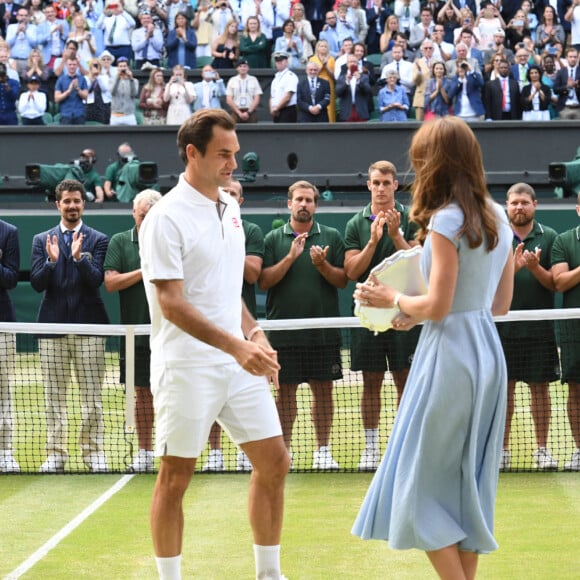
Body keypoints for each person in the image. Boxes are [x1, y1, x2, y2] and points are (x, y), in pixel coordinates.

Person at [352, 117, 514, 579]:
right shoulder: (498, 215)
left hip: (448, 358)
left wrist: (392, 299)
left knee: (420, 485)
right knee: (469, 486)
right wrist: (413, 313)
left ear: (435, 161)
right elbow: (498, 305)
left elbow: (440, 305)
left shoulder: (446, 219)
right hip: (486, 353)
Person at [139, 109, 289, 579]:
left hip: (236, 363)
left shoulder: (232, 205)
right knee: (176, 476)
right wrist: (236, 347)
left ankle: (268, 574)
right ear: (192, 153)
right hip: (185, 366)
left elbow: (227, 292)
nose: (232, 163)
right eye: (223, 154)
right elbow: (172, 304)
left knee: (275, 462)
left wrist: (254, 332)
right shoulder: (164, 218)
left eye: (235, 154)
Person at [258, 180, 347, 470]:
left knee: (323, 391)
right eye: (299, 199)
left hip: (323, 332)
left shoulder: (331, 235)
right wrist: (291, 257)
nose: (304, 204)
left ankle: (322, 451)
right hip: (284, 334)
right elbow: (264, 281)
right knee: (285, 394)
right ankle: (284, 451)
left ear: (316, 205)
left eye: (309, 200)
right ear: (289, 204)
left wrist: (322, 265)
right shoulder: (273, 239)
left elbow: (342, 280)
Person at [31, 179, 110, 473]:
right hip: (52, 329)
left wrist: (78, 259)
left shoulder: (98, 239)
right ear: (58, 204)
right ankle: (56, 455)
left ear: (83, 204)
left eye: (77, 201)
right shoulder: (42, 240)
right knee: (54, 398)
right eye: (67, 201)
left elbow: (96, 280)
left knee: (92, 398)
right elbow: (38, 284)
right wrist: (51, 263)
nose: (72, 206)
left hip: (91, 328)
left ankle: (93, 454)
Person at [344, 160, 419, 471]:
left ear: (395, 186)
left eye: (386, 183)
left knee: (405, 380)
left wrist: (396, 234)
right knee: (371, 382)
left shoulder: (412, 218)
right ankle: (371, 448)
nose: (381, 188)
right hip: (370, 314)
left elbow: (420, 261)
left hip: (405, 312)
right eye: (376, 182)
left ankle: (402, 447)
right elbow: (351, 271)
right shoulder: (354, 224)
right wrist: (374, 240)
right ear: (369, 185)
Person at [202, 178, 265, 473]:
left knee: (247, 392)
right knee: (211, 393)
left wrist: (225, 248)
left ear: (240, 200)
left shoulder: (250, 231)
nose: (228, 196)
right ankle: (215, 453)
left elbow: (252, 274)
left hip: (242, 325)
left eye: (233, 193)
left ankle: (245, 452)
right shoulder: (202, 226)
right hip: (210, 329)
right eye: (223, 192)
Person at [496, 183, 559, 472]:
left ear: (534, 204)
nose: (519, 207)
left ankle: (542, 449)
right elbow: (487, 285)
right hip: (501, 328)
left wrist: (535, 267)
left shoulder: (551, 237)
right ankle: (502, 451)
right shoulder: (494, 238)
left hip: (538, 328)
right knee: (503, 392)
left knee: (540, 390)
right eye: (514, 203)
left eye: (524, 202)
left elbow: (554, 284)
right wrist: (516, 265)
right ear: (506, 206)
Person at [104, 189, 162, 473]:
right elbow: (111, 283)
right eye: (142, 216)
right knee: (142, 395)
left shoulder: (171, 241)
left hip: (169, 333)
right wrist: (145, 270)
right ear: (134, 214)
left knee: (173, 394)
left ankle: (170, 451)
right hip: (134, 333)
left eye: (152, 216)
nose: (147, 220)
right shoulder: (119, 242)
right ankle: (144, 452)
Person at [551, 194, 580, 471]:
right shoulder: (563, 241)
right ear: (578, 209)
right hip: (575, 328)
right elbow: (559, 282)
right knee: (576, 389)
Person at [0, 218, 20, 473]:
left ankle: (4, 452)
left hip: (1, 324)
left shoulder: (9, 232)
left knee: (3, 390)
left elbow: (11, 279)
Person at [336, 52, 372, 121]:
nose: (352, 63)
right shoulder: (342, 77)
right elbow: (338, 93)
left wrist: (359, 80)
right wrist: (346, 82)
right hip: (347, 111)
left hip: (361, 111)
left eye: (354, 62)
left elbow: (368, 91)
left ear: (358, 64)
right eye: (350, 62)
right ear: (347, 64)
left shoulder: (364, 77)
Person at [226, 57, 263, 123]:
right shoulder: (232, 80)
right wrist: (238, 113)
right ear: (237, 68)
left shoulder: (254, 80)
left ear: (248, 68)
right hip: (236, 111)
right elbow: (229, 99)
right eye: (240, 66)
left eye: (245, 66)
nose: (243, 68)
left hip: (250, 111)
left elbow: (257, 98)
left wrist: (248, 112)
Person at [54, 56, 89, 125]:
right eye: (70, 64)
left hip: (79, 113)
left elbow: (86, 97)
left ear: (77, 66)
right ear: (66, 65)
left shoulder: (82, 79)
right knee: (65, 136)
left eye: (74, 64)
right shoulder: (61, 80)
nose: (72, 67)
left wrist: (77, 89)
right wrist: (68, 91)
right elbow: (56, 99)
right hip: (65, 114)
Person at [309, 39, 336, 122]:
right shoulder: (312, 59)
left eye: (325, 46)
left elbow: (333, 75)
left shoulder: (331, 59)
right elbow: (312, 73)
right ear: (317, 48)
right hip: (316, 83)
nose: (323, 48)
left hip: (329, 83)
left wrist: (326, 66)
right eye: (321, 46)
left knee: (330, 106)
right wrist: (322, 66)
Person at [109, 55, 138, 125]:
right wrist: (117, 77)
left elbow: (134, 94)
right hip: (115, 115)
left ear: (128, 67)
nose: (123, 68)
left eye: (124, 66)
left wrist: (131, 79)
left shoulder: (134, 81)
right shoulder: (112, 80)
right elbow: (112, 92)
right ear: (117, 68)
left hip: (129, 115)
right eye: (120, 66)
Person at [270, 50, 298, 122]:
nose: (279, 63)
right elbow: (272, 97)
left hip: (287, 111)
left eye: (281, 61)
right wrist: (272, 110)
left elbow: (287, 97)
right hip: (276, 112)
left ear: (286, 62)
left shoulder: (290, 76)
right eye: (277, 61)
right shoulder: (275, 78)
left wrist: (276, 109)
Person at [552, 47, 580, 120]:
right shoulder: (561, 72)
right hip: (564, 108)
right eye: (570, 57)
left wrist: (577, 86)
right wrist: (567, 87)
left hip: (578, 108)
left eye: (575, 57)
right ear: (566, 58)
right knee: (564, 131)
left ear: (577, 58)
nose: (573, 59)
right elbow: (555, 89)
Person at [85, 56, 112, 124]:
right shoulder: (86, 78)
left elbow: (105, 89)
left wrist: (98, 76)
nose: (95, 67)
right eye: (93, 65)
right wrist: (91, 78)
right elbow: (86, 89)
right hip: (90, 105)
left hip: (103, 105)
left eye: (97, 65)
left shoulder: (104, 77)